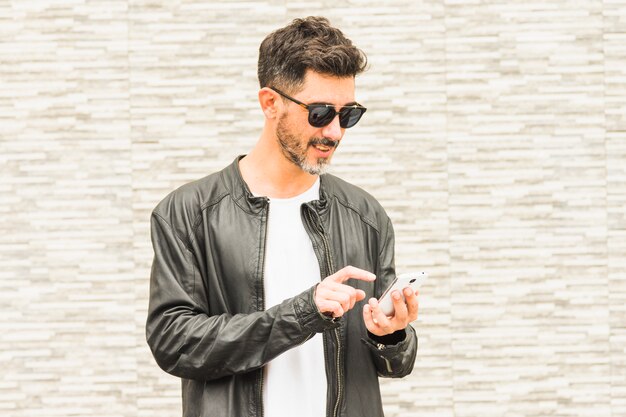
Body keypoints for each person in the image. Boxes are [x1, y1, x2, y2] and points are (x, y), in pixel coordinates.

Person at [146, 16, 419, 417]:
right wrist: (305, 312)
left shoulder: (364, 215)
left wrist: (392, 334)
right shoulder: (188, 213)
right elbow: (175, 343)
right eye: (321, 112)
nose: (335, 131)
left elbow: (395, 364)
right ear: (270, 103)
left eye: (349, 115)